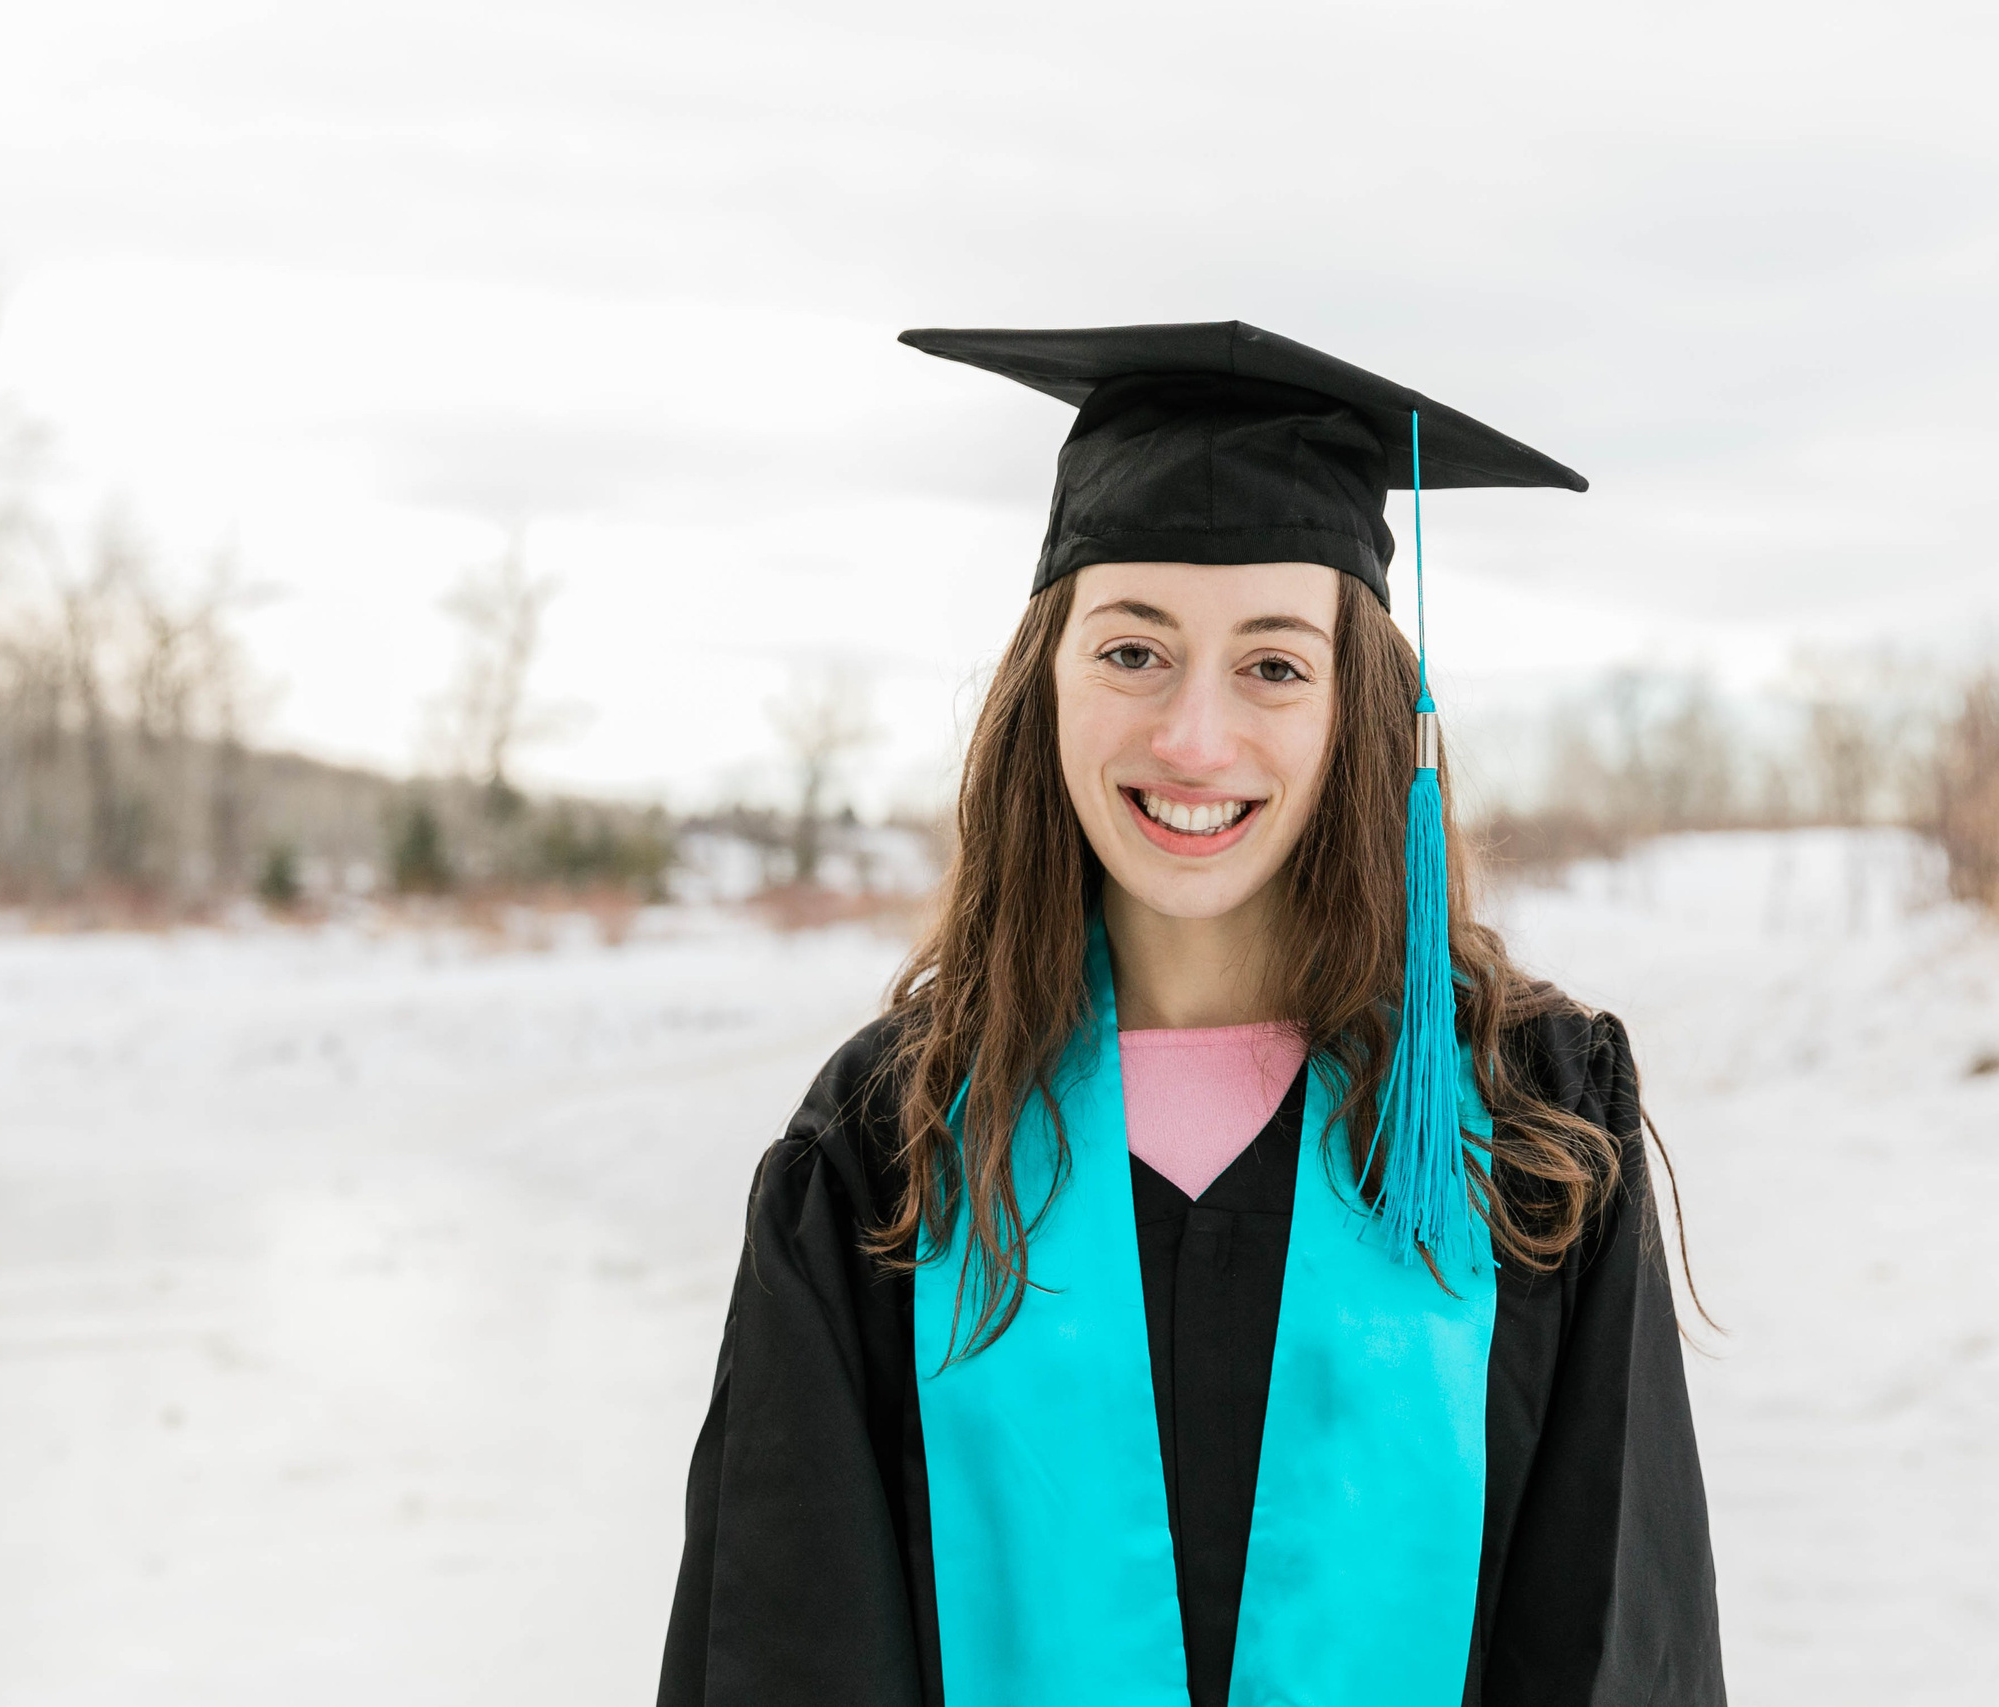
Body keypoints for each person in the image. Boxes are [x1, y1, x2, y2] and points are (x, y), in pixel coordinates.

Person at [659, 322, 1724, 1707]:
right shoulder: (889, 1153)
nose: (1196, 741)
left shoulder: (1524, 1129)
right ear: (1045, 682)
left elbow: (1614, 1651)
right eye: (1132, 652)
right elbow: (783, 1651)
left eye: (1274, 665)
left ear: (1365, 713)